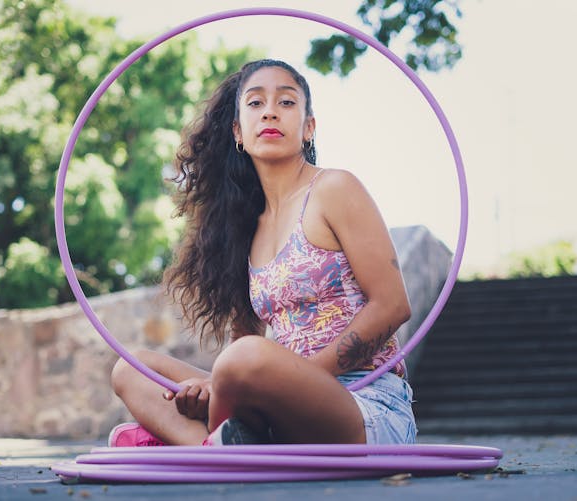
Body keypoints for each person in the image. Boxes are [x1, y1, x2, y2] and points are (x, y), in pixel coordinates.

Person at [109, 59, 416, 447]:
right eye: (255, 103)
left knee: (246, 360)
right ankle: (221, 447)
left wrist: (282, 377)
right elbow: (242, 350)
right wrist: (214, 387)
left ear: (309, 128)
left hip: (364, 403)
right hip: (273, 405)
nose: (270, 110)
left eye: (287, 103)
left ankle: (193, 445)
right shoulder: (244, 227)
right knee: (131, 368)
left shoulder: (335, 189)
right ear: (238, 131)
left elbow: (392, 306)